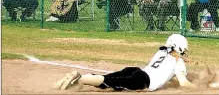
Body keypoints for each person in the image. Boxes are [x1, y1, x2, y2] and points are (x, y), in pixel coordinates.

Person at [53, 34, 196, 91]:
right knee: (109, 81)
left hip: (136, 71)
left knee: (111, 79)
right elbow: (183, 82)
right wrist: (197, 87)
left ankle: (75, 79)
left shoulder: (161, 51)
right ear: (180, 47)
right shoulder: (179, 62)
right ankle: (80, 78)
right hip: (143, 81)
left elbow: (168, 75)